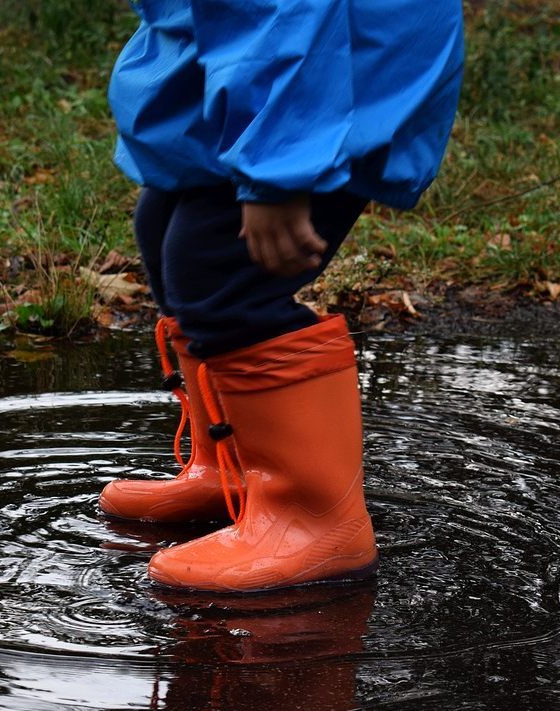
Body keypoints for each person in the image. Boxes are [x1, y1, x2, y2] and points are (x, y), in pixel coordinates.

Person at [100, 0, 464, 592]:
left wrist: (278, 170)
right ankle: (233, 468)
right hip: (260, 70)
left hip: (331, 77)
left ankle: (315, 522)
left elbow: (284, 15)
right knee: (164, 227)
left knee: (220, 272)